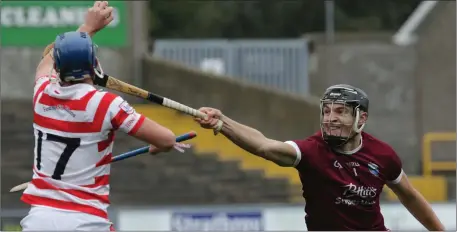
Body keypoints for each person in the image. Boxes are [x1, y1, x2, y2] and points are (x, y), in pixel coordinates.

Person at [19, 1, 190, 231]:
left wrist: (87, 28)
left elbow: (45, 63)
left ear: (58, 68)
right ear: (94, 63)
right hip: (85, 220)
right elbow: (167, 139)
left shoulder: (42, 94)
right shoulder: (107, 104)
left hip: (38, 220)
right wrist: (159, 146)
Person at [194, 84, 445, 231]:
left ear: (362, 118)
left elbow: (410, 195)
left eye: (340, 111)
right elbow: (264, 146)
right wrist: (222, 122)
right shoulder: (312, 152)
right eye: (326, 111)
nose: (330, 118)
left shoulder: (383, 155)